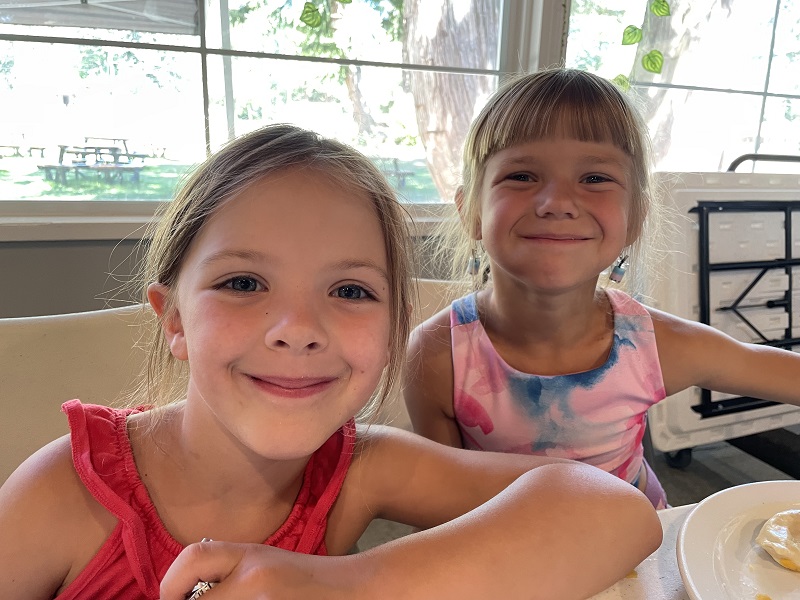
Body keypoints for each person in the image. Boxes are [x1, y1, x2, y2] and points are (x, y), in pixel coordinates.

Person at [0, 124, 660, 600]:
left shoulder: (358, 468)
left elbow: (616, 510)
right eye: (243, 283)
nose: (298, 330)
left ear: (395, 329)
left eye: (349, 292)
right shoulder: (65, 489)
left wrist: (345, 586)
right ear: (174, 319)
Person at [404, 67, 800, 511]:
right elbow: (443, 506)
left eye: (594, 178)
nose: (556, 203)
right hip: (508, 562)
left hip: (641, 560)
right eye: (521, 176)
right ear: (471, 209)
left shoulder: (655, 347)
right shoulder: (437, 356)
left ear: (635, 216)